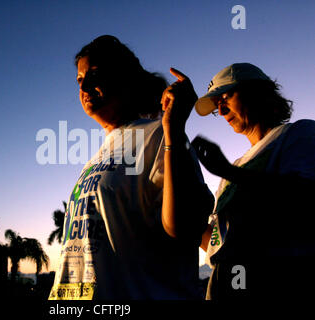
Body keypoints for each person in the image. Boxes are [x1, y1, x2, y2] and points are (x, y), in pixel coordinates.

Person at [49, 35, 214, 300]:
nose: (85, 85)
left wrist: (173, 131)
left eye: (95, 74)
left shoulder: (159, 134)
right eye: (80, 79)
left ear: (125, 77)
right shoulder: (99, 155)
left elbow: (184, 228)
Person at [191, 63, 315, 299]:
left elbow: (304, 199)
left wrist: (228, 171)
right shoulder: (236, 166)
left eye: (226, 97)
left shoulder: (300, 134)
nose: (222, 111)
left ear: (259, 92)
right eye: (218, 106)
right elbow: (218, 246)